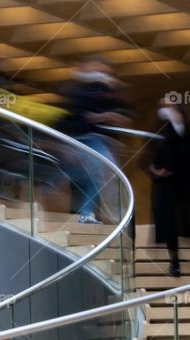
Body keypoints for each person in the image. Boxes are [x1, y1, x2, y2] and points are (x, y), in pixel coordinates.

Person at [143, 98, 190, 278]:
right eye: (162, 107)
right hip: (166, 185)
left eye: (169, 106)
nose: (165, 110)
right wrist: (155, 171)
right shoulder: (157, 133)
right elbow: (145, 159)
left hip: (189, 184)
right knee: (170, 226)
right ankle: (174, 262)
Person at [56, 55, 134, 224]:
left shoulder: (111, 91)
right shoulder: (76, 90)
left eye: (101, 68)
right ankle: (86, 214)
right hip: (80, 140)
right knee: (90, 176)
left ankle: (88, 214)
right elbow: (69, 117)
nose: (98, 71)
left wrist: (105, 117)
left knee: (97, 175)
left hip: (96, 140)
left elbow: (125, 117)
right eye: (94, 67)